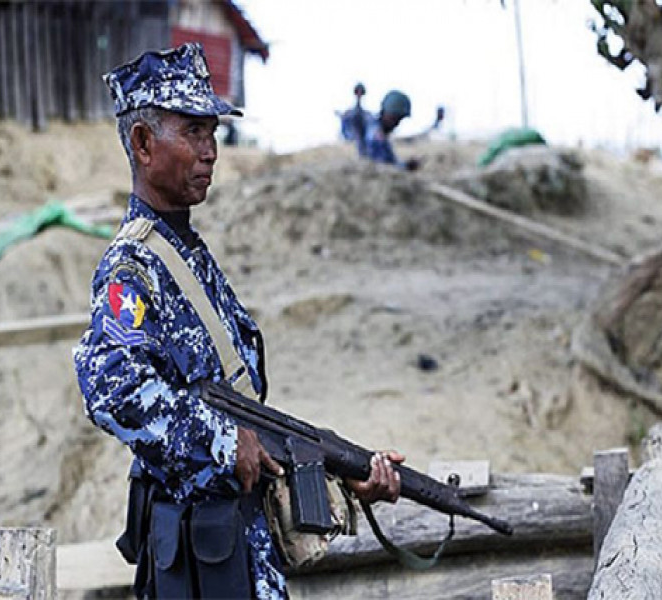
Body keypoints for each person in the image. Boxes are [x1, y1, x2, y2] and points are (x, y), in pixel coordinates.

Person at [73, 43, 403, 599]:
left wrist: (343, 475)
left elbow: (249, 421)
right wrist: (220, 442)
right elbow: (110, 385)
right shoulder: (133, 269)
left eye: (213, 134)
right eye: (193, 132)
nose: (210, 152)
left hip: (243, 559)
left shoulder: (190, 257)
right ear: (143, 143)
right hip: (200, 572)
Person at [359, 89, 421, 171]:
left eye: (399, 120)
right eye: (394, 119)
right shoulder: (375, 134)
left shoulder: (380, 134)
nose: (396, 124)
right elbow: (380, 165)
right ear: (385, 114)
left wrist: (406, 166)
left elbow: (390, 162)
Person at [339, 82, 368, 153]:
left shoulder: (365, 113)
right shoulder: (349, 112)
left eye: (361, 92)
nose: (359, 94)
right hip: (351, 135)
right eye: (358, 91)